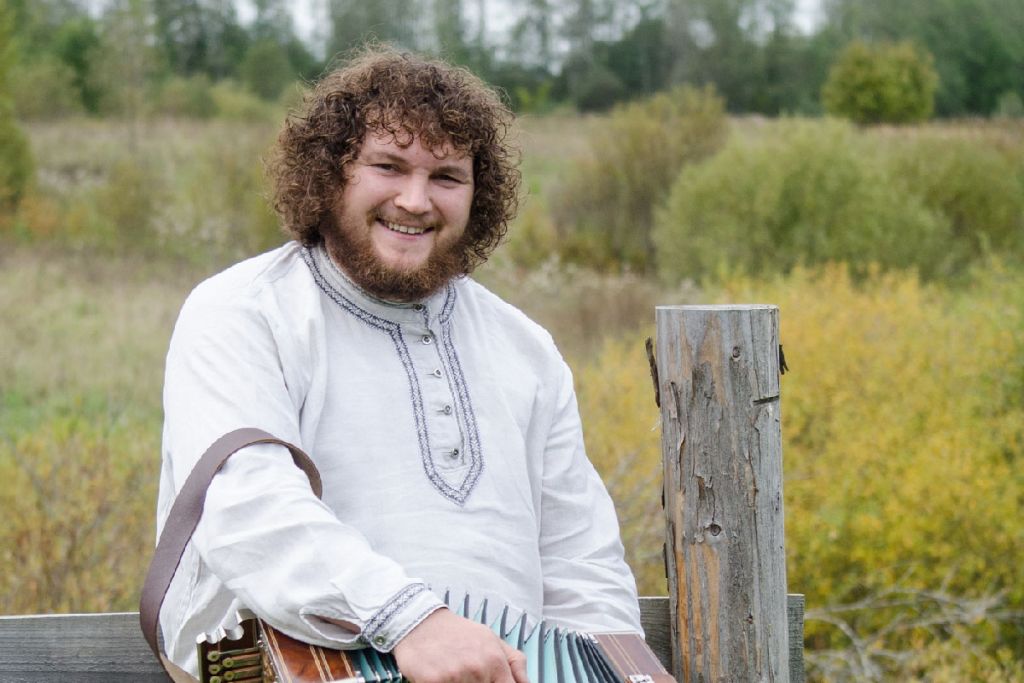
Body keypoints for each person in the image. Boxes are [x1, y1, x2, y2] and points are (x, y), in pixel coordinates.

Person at [157, 47, 642, 683]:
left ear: (478, 193)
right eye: (388, 166)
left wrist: (614, 672)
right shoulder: (244, 312)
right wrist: (412, 621)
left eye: (447, 177)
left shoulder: (525, 349)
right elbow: (250, 510)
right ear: (331, 173)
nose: (415, 200)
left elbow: (581, 562)